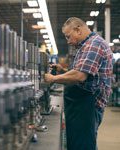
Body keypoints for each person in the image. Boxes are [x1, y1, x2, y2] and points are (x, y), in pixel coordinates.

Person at [45, 17, 113, 150]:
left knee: (83, 145)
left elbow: (80, 76)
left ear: (78, 30)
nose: (68, 41)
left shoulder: (94, 44)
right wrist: (63, 70)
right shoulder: (86, 45)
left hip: (89, 105)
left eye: (68, 36)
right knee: (84, 143)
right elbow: (86, 73)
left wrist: (54, 78)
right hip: (85, 104)